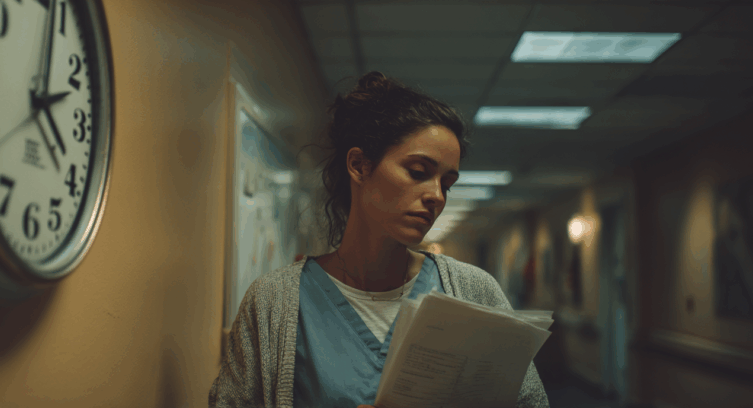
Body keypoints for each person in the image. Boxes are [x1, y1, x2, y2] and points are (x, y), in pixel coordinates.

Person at [209, 72, 549, 408]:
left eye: (446, 183)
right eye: (418, 172)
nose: (436, 196)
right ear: (359, 165)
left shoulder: (474, 291)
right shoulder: (273, 302)